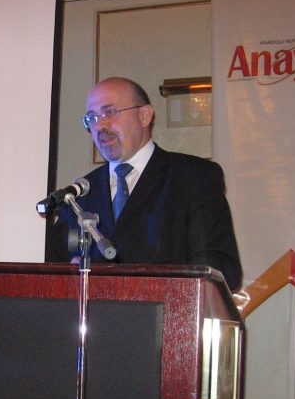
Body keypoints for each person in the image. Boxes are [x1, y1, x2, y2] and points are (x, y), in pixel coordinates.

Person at [46, 77, 242, 292]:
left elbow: (220, 271)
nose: (100, 126)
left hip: (166, 311)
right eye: (92, 118)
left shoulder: (193, 178)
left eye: (109, 112)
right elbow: (50, 273)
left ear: (144, 115)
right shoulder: (79, 194)